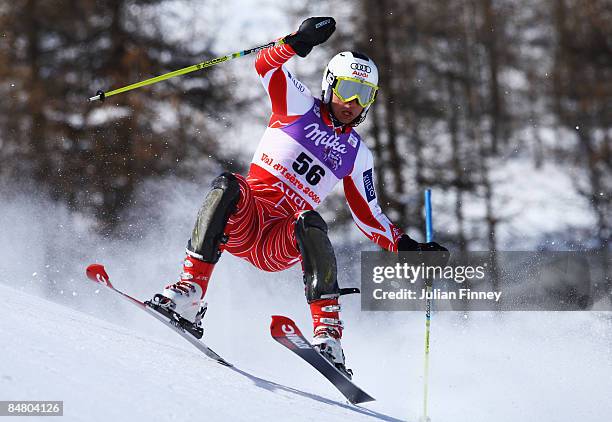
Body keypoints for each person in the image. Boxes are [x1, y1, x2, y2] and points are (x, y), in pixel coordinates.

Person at [151, 17, 447, 377]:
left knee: (310, 221)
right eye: (347, 89)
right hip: (246, 219)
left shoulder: (357, 154)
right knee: (228, 184)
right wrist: (296, 42)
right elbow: (264, 65)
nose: (352, 103)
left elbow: (369, 217)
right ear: (330, 85)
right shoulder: (299, 105)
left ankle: (329, 336)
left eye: (363, 95)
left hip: (279, 240)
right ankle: (191, 293)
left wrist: (409, 248)